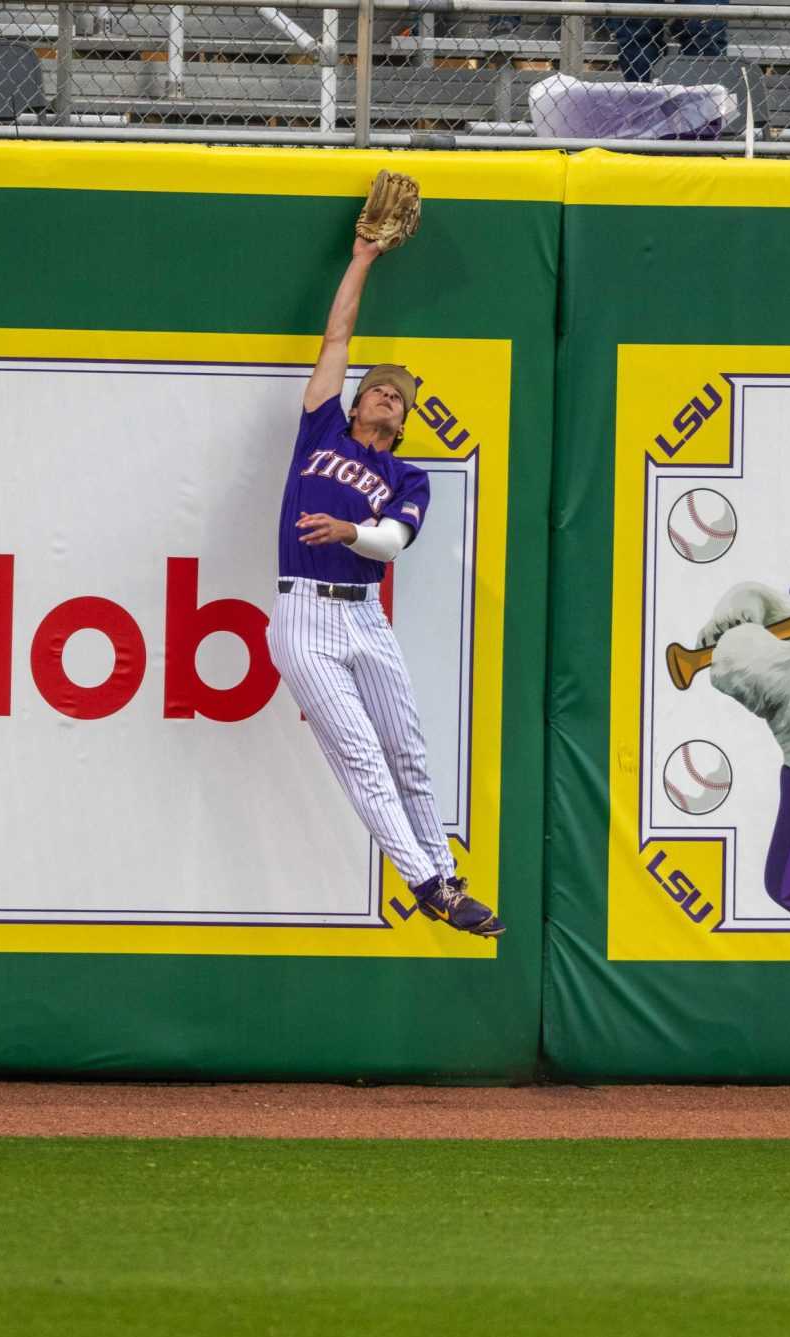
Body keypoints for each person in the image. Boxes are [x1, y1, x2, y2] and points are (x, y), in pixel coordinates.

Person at [270, 230, 503, 937]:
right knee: (363, 754)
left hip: (364, 616)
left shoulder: (408, 477)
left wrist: (350, 534)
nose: (383, 400)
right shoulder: (322, 436)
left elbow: (395, 542)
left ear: (402, 425)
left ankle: (446, 874)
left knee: (407, 749)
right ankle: (428, 883)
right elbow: (337, 338)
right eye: (376, 392)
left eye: (396, 401)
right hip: (303, 612)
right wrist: (363, 258)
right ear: (356, 403)